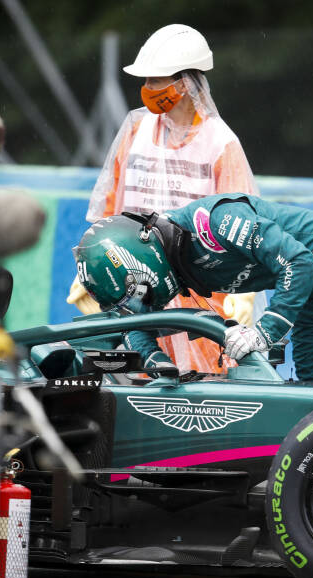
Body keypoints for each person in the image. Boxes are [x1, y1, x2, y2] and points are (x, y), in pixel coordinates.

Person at [72, 194, 313, 387]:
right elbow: (137, 325)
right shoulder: (170, 258)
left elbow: (299, 262)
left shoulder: (213, 222)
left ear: (141, 261)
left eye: (137, 292)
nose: (141, 301)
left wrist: (265, 332)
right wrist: (160, 367)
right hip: (309, 296)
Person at [67, 24, 259, 374]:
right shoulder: (136, 131)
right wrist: (88, 268)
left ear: (184, 83)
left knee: (203, 384)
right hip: (131, 280)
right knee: (133, 375)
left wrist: (243, 292)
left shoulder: (220, 144)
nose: (146, 89)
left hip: (197, 289)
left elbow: (245, 221)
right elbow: (111, 206)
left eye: (155, 81)